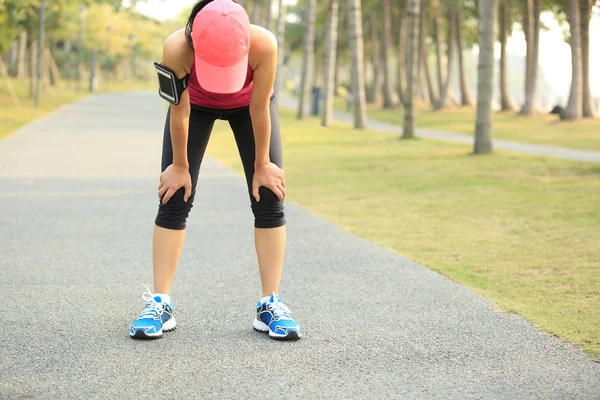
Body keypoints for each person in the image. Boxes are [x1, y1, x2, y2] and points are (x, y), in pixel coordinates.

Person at [129, 0, 301, 341]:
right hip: (197, 107)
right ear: (194, 40)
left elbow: (261, 108)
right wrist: (179, 167)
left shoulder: (263, 43)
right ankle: (160, 304)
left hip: (249, 106)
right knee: (173, 195)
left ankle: (270, 305)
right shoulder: (176, 48)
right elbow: (179, 113)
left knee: (268, 194)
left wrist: (262, 164)